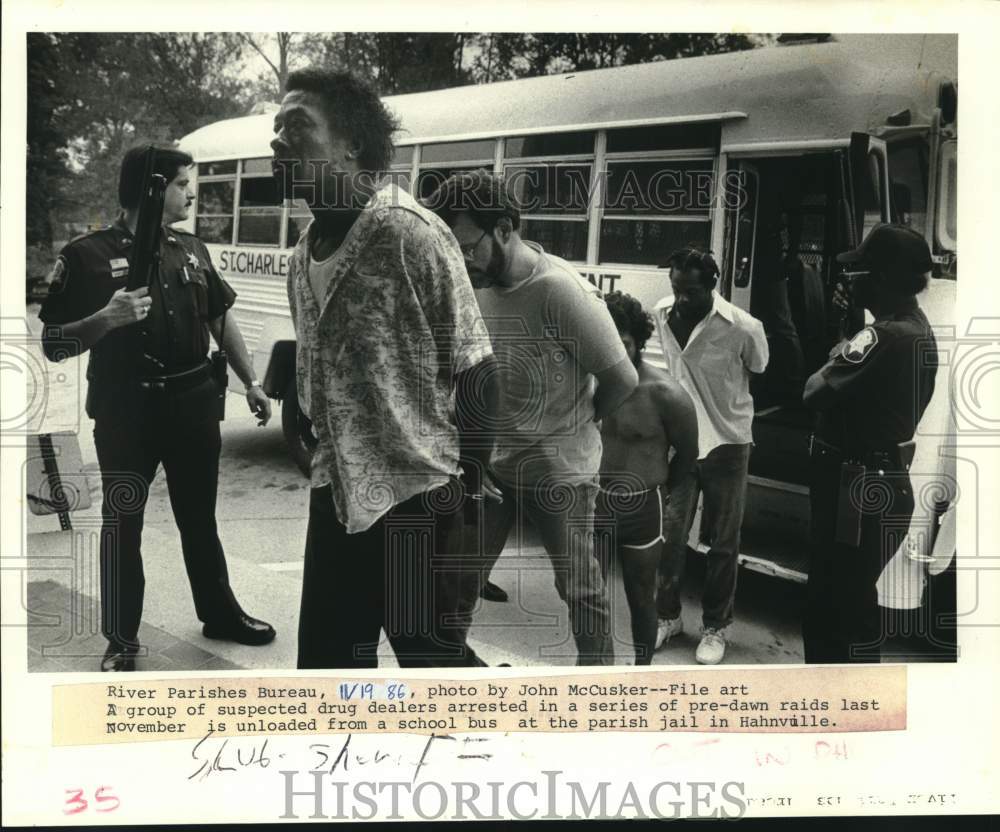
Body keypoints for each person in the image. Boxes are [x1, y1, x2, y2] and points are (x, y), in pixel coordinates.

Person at [272, 69, 497, 669]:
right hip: (336, 493)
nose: (278, 141)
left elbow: (476, 367)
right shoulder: (304, 254)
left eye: (297, 126)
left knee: (433, 666)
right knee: (327, 669)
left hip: (417, 498)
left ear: (351, 144)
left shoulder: (409, 233)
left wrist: (466, 487)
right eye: (277, 128)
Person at [39, 145, 275, 672]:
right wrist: (106, 317)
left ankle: (220, 613)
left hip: (193, 403)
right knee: (123, 523)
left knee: (200, 519)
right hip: (128, 410)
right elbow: (53, 342)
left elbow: (219, 318)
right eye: (182, 183)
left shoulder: (191, 249)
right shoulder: (87, 255)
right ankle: (122, 638)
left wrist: (251, 382)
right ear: (152, 188)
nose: (192, 192)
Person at [426, 170, 639, 665]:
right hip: (493, 466)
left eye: (468, 247)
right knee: (457, 582)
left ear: (504, 227)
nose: (461, 262)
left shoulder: (561, 291)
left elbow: (622, 380)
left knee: (581, 591)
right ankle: (447, 683)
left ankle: (598, 696)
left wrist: (574, 423)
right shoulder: (472, 283)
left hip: (560, 470)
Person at [802, 223, 938, 663]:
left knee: (831, 609)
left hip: (856, 488)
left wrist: (840, 347)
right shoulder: (912, 328)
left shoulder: (883, 335)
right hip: (877, 482)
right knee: (852, 605)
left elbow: (812, 392)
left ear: (881, 278)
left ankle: (835, 707)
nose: (848, 280)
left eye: (858, 271)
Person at [651, 247, 769, 665]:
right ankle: (667, 617)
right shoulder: (661, 313)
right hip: (682, 442)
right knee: (670, 536)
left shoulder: (743, 327)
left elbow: (760, 367)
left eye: (692, 291)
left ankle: (716, 627)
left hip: (727, 443)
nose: (682, 299)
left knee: (722, 543)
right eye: (677, 288)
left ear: (713, 285)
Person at [596, 291, 699, 664]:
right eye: (606, 342)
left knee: (641, 595)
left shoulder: (667, 395)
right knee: (590, 594)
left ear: (639, 340)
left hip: (643, 506)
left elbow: (688, 454)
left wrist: (661, 490)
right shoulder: (588, 385)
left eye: (622, 343)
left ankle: (642, 672)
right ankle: (594, 670)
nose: (615, 352)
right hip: (593, 501)